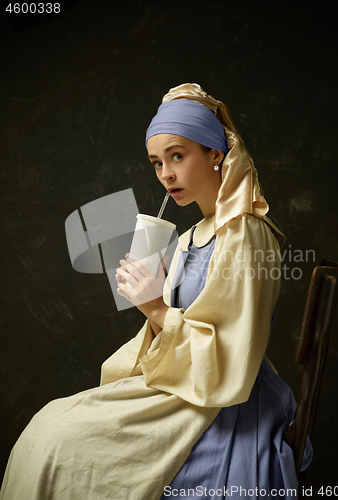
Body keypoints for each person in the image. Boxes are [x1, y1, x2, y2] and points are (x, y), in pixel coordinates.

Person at [0, 83, 312, 500]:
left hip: (224, 402)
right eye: (156, 163)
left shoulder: (245, 234)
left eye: (178, 156)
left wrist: (155, 307)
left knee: (61, 440)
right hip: (187, 385)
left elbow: (232, 353)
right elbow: (175, 328)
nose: (166, 173)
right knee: (50, 424)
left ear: (215, 154)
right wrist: (150, 301)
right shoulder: (189, 237)